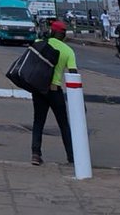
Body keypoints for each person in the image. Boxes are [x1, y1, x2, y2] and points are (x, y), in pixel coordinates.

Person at [31, 19, 76, 166]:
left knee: (38, 122)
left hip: (39, 89)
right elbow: (73, 74)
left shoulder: (40, 42)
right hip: (55, 90)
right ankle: (71, 156)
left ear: (52, 31)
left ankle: (36, 155)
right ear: (63, 35)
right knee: (63, 124)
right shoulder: (68, 51)